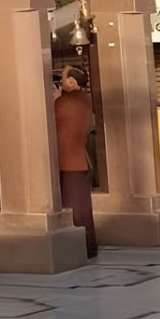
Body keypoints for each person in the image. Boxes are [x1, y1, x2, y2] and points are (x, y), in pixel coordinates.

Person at [54, 64, 97, 257]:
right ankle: (88, 246)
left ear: (71, 82)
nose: (60, 83)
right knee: (82, 209)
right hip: (80, 160)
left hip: (70, 163)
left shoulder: (66, 103)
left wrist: (54, 101)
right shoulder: (85, 101)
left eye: (63, 79)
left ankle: (79, 248)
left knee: (74, 210)